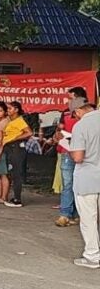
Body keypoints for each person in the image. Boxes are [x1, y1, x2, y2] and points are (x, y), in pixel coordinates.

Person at [69, 102, 100, 268]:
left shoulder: (81, 126)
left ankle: (92, 256)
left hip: (88, 178)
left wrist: (70, 148)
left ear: (78, 110)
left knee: (89, 218)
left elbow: (78, 157)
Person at [55, 97, 86, 226]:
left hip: (85, 154)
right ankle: (65, 214)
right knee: (67, 184)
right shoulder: (66, 114)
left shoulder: (91, 118)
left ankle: (78, 214)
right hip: (67, 151)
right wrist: (59, 134)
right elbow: (59, 129)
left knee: (81, 185)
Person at [0, 101, 33, 207]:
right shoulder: (11, 121)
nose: (8, 110)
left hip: (16, 147)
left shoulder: (19, 120)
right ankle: (15, 197)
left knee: (17, 174)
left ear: (16, 110)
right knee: (12, 173)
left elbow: (29, 132)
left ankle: (17, 199)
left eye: (10, 108)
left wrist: (16, 138)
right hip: (9, 148)